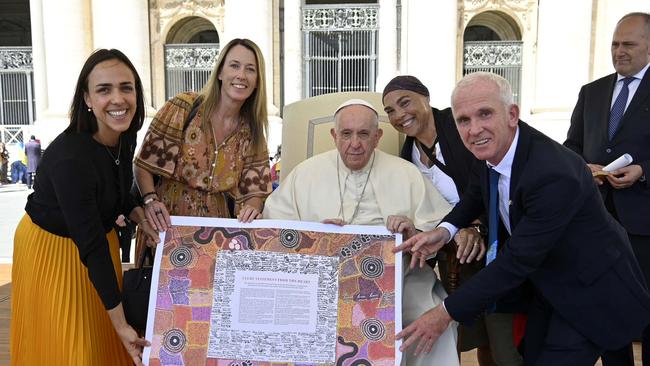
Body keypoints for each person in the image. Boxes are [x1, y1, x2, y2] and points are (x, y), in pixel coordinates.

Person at [393, 72, 650, 365]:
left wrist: (443, 314)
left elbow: (516, 261)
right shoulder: (493, 148)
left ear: (512, 114)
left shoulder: (552, 173)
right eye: (463, 120)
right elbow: (477, 192)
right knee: (532, 353)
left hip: (593, 288)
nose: (474, 129)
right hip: (549, 282)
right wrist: (445, 231)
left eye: (485, 114)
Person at [263, 98, 458, 366]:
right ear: (334, 135)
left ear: (377, 137)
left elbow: (440, 226)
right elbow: (275, 232)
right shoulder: (304, 174)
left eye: (364, 134)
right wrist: (314, 237)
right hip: (322, 283)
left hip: (401, 280)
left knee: (430, 319)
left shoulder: (406, 173)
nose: (354, 144)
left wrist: (413, 231)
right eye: (346, 134)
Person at [10, 49, 159, 366]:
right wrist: (122, 327)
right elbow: (90, 243)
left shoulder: (124, 134)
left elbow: (116, 190)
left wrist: (138, 214)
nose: (118, 99)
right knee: (75, 348)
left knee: (101, 341)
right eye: (104, 90)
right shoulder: (71, 158)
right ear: (87, 99)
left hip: (97, 247)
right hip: (53, 251)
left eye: (126, 87)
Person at [382, 75, 522, 366]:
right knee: (476, 334)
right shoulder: (408, 154)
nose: (399, 115)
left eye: (405, 102)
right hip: (453, 251)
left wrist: (476, 226)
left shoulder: (459, 129)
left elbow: (488, 181)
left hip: (494, 243)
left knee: (503, 341)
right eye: (390, 111)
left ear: (427, 98)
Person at [133, 38, 272, 260]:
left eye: (250, 69)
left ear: (257, 81)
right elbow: (144, 165)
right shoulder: (183, 107)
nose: (241, 75)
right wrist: (150, 200)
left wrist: (253, 207)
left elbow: (256, 191)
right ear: (219, 72)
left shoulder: (252, 131)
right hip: (165, 231)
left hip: (217, 244)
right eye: (234, 65)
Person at [564, 12, 650, 366]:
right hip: (596, 220)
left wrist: (643, 170)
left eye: (628, 44)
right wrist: (583, 167)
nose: (619, 52)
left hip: (644, 226)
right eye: (615, 44)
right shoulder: (592, 92)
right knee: (607, 306)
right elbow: (571, 146)